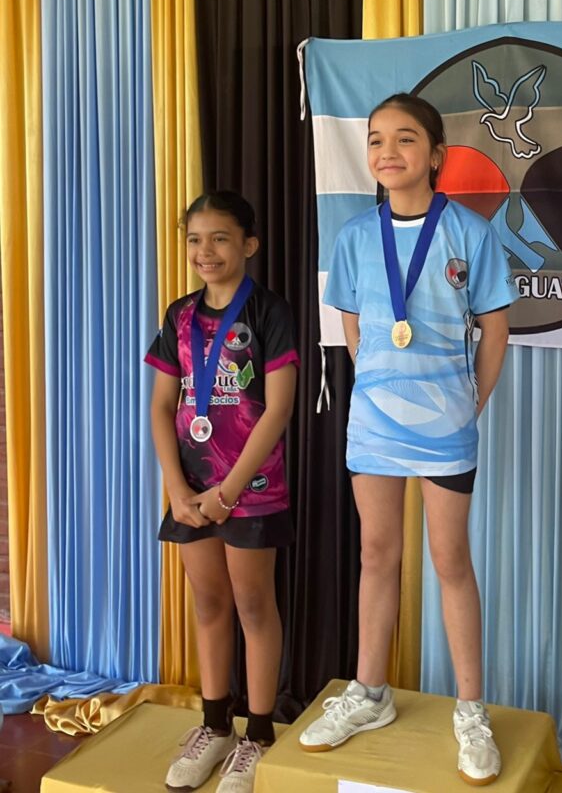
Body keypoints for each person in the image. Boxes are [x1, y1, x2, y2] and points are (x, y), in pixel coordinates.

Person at [300, 93, 516, 786]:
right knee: (376, 553)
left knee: (451, 559)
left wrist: (469, 402)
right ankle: (370, 693)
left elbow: (495, 330)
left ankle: (471, 710)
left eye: (404, 139)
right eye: (375, 140)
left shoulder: (471, 233)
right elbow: (355, 326)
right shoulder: (354, 236)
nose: (387, 152)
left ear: (436, 154)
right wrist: (381, 386)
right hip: (374, 423)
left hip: (446, 425)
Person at [147, 191, 298, 793]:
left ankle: (257, 733)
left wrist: (228, 493)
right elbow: (162, 405)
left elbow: (278, 409)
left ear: (248, 245)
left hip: (249, 490)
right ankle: (214, 725)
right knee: (208, 604)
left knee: (253, 606)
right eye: (194, 239)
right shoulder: (179, 315)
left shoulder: (269, 311)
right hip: (191, 490)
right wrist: (175, 486)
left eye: (219, 238)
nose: (204, 251)